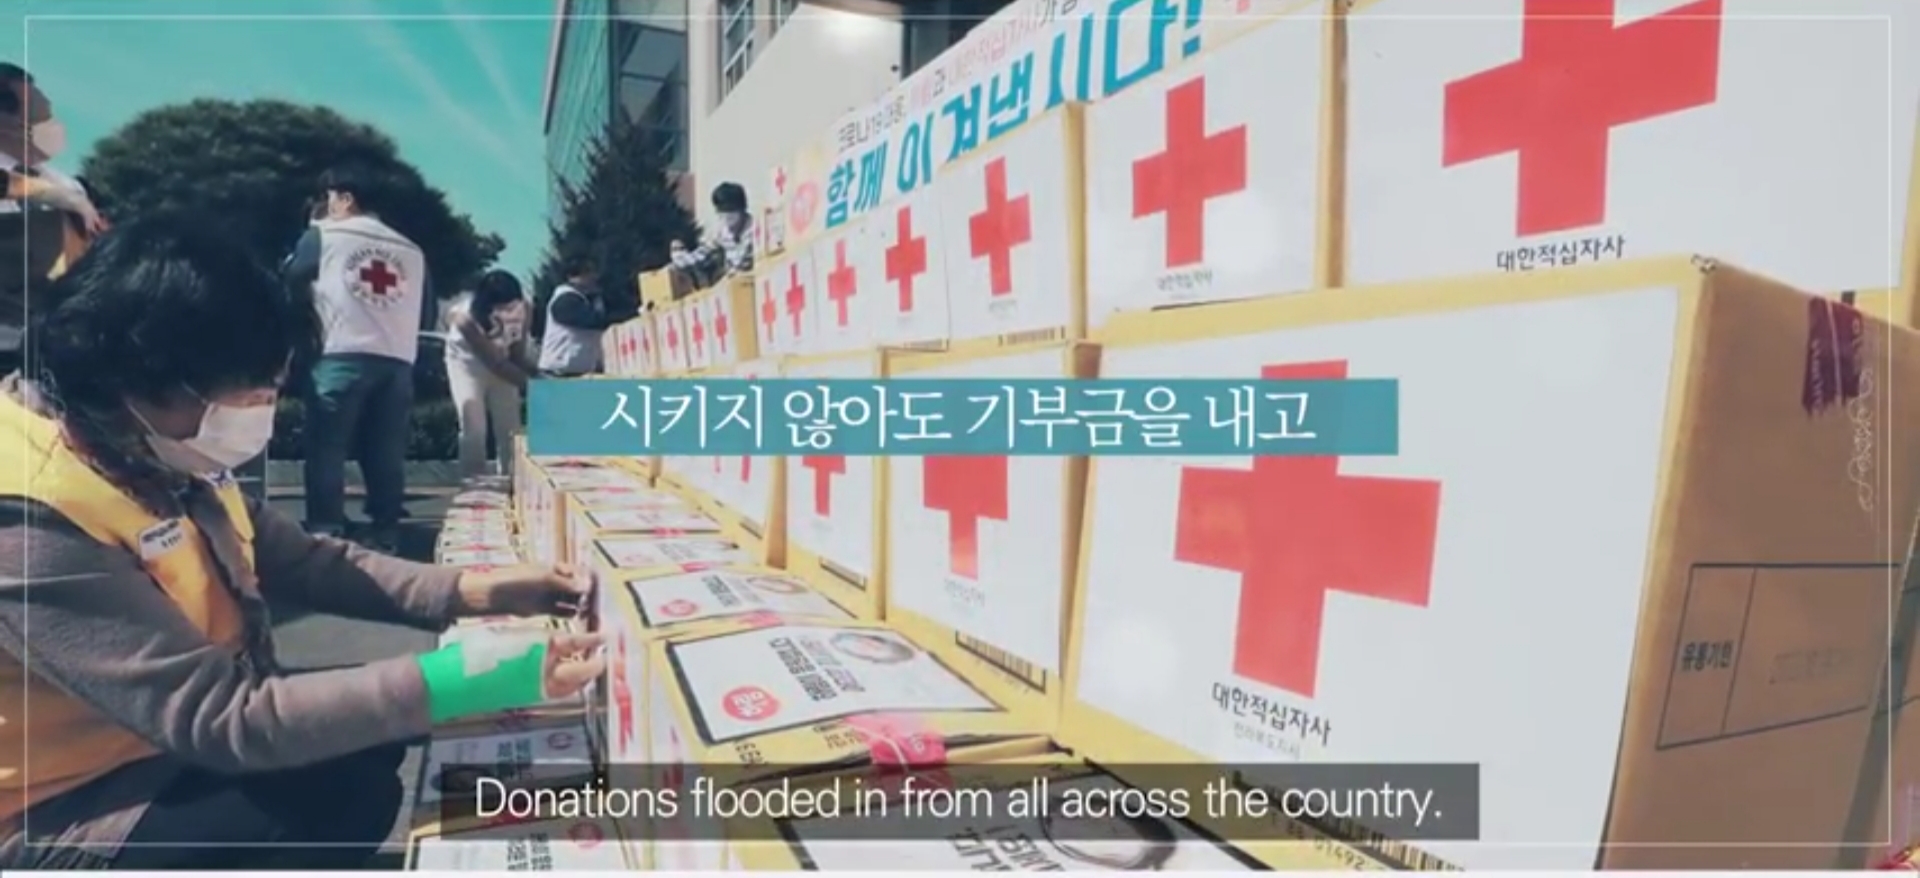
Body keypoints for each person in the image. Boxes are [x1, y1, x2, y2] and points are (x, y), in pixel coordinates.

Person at [0, 214, 606, 870]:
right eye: (241, 392)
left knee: (358, 749)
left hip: (150, 745)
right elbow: (222, 718)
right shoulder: (32, 519)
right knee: (329, 801)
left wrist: (478, 591)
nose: (257, 410)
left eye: (268, 389)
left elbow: (309, 561)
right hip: (58, 802)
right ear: (137, 378)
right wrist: (478, 680)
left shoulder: (153, 451)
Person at [283, 166, 436, 550]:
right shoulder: (412, 250)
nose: (328, 205)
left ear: (346, 198)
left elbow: (292, 283)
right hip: (397, 360)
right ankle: (386, 529)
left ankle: (326, 527)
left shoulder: (323, 235)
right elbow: (427, 312)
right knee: (386, 450)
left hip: (340, 352)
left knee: (328, 447)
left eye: (330, 197)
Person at [446, 269, 531, 478]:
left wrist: (542, 378)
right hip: (467, 365)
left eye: (512, 304)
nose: (508, 311)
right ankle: (474, 479)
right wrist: (533, 386)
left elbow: (517, 354)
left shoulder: (524, 308)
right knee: (473, 424)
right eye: (502, 306)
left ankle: (513, 477)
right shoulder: (465, 319)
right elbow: (494, 363)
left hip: (504, 361)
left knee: (509, 425)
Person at [674, 182, 755, 294]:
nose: (726, 216)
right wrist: (680, 260)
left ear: (742, 209)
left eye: (730, 210)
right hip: (734, 286)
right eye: (722, 211)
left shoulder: (755, 230)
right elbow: (703, 253)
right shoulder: (721, 232)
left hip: (753, 283)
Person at [536, 255, 609, 378]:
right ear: (572, 277)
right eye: (587, 272)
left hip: (574, 372)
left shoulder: (583, 299)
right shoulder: (565, 299)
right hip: (558, 373)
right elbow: (592, 321)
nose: (593, 277)